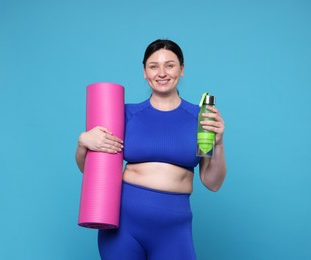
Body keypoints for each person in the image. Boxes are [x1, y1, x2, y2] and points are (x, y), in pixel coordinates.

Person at [75, 39, 226, 260]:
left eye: (170, 65)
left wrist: (219, 143)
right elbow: (90, 171)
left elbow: (212, 183)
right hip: (124, 225)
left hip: (174, 227)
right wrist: (83, 143)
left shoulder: (200, 118)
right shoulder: (124, 114)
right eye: (154, 66)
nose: (162, 73)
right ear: (145, 72)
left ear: (182, 69)